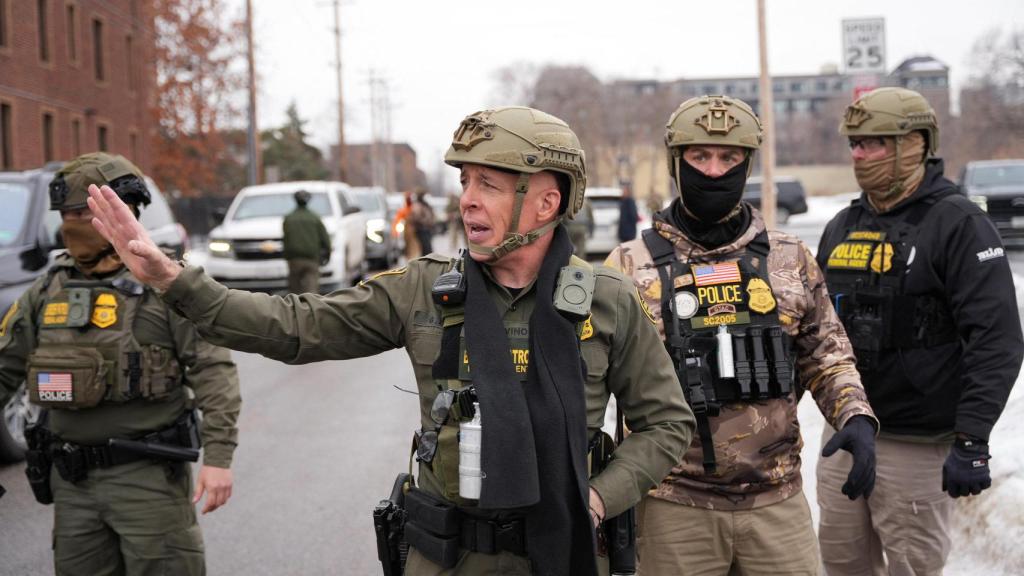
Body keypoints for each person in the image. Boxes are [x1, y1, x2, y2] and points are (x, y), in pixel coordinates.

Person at [87, 106, 695, 575]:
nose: (469, 201)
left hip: (562, 552)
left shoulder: (606, 300)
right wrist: (175, 281)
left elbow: (666, 422)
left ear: (545, 201)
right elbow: (296, 326)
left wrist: (596, 496)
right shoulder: (423, 289)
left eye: (489, 183)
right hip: (444, 558)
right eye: (465, 181)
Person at [605, 95, 878, 575]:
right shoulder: (627, 267)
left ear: (747, 163)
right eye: (700, 157)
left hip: (777, 503)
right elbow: (592, 380)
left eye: (729, 158)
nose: (714, 171)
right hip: (673, 505)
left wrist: (854, 416)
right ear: (677, 162)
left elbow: (826, 353)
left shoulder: (790, 260)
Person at [0, 152, 241, 575]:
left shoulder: (166, 283)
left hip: (147, 481)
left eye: (86, 212)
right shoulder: (48, 288)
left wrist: (218, 457)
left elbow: (213, 370)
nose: (74, 222)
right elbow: (4, 368)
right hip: (72, 484)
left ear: (125, 211)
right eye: (67, 213)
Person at [815, 87, 1023, 575]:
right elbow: (814, 332)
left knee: (913, 568)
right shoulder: (842, 225)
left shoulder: (959, 224)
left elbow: (996, 340)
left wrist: (972, 439)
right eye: (854, 144)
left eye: (874, 143)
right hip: (846, 433)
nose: (858, 155)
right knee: (841, 563)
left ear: (916, 144)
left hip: (917, 446)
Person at [282, 189, 330, 294]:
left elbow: (286, 240)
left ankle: (295, 309)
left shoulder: (289, 218)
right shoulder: (315, 217)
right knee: (311, 291)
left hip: (294, 260)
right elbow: (325, 240)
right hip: (312, 259)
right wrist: (327, 256)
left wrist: (287, 257)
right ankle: (311, 310)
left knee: (294, 292)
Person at [410, 189, 436, 255]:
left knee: (428, 248)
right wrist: (425, 221)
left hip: (427, 229)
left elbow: (431, 215)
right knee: (425, 249)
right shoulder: (417, 205)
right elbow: (416, 218)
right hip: (421, 229)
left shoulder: (425, 204)